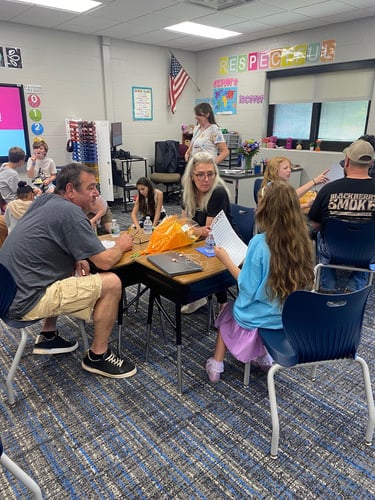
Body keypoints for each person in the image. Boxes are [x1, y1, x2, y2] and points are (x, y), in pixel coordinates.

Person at [0, 163, 137, 379]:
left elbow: (48, 237)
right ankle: (97, 356)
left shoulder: (46, 199)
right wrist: (122, 244)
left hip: (9, 292)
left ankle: (48, 335)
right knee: (112, 282)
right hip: (25, 301)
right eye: (91, 188)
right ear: (71, 190)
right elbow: (104, 262)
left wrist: (77, 256)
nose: (97, 193)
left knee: (64, 266)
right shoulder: (71, 212)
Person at [205, 182, 314, 383]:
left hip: (258, 317)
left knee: (227, 313)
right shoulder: (302, 241)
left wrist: (225, 259)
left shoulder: (260, 242)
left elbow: (246, 286)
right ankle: (263, 357)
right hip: (285, 318)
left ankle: (216, 364)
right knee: (259, 307)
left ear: (267, 210)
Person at [309, 139, 375, 292]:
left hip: (332, 251)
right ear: (371, 163)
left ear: (346, 161)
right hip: (367, 253)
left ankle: (327, 285)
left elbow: (315, 224)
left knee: (319, 234)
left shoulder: (328, 189)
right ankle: (355, 286)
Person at [180, 151, 234, 314]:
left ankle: (223, 304)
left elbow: (209, 232)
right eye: (200, 175)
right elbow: (183, 224)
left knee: (208, 252)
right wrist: (194, 230)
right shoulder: (188, 191)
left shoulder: (217, 192)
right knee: (181, 250)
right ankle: (197, 296)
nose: (206, 179)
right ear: (191, 176)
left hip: (225, 240)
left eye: (210, 174)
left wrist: (192, 230)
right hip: (203, 239)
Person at [260, 156, 329, 209]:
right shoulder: (273, 187)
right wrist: (314, 181)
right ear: (275, 171)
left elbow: (286, 206)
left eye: (290, 168)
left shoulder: (273, 185)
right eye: (285, 168)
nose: (289, 170)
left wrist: (306, 205)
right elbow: (292, 197)